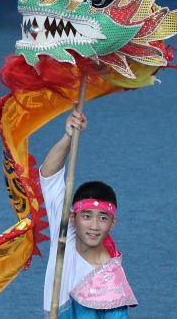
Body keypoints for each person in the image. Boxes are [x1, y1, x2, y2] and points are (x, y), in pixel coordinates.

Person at [40, 108, 138, 318]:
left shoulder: (111, 282)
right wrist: (68, 137)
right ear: (72, 218)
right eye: (86, 216)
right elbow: (49, 175)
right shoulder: (64, 233)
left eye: (103, 218)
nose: (94, 226)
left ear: (112, 223)